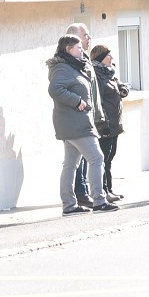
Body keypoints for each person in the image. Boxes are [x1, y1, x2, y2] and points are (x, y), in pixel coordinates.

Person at [47, 34, 118, 214]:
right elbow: (55, 89)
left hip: (75, 123)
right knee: (97, 158)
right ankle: (99, 200)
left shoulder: (74, 66)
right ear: (67, 49)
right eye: (78, 47)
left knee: (70, 164)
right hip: (75, 124)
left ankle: (69, 206)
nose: (82, 49)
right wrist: (77, 101)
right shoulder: (63, 68)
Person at [90, 44, 129, 201]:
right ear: (101, 58)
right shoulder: (97, 75)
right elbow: (97, 100)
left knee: (110, 157)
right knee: (104, 159)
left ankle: (110, 189)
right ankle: (104, 191)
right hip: (105, 125)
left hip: (115, 124)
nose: (112, 58)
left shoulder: (109, 72)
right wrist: (102, 122)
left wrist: (123, 89)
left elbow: (119, 85)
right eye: (109, 56)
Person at [65, 24, 98, 208]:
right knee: (93, 158)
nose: (89, 37)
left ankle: (78, 197)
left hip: (88, 115)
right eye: (85, 35)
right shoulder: (66, 63)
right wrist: (77, 102)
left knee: (79, 161)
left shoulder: (84, 59)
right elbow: (57, 89)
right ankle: (83, 194)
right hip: (75, 118)